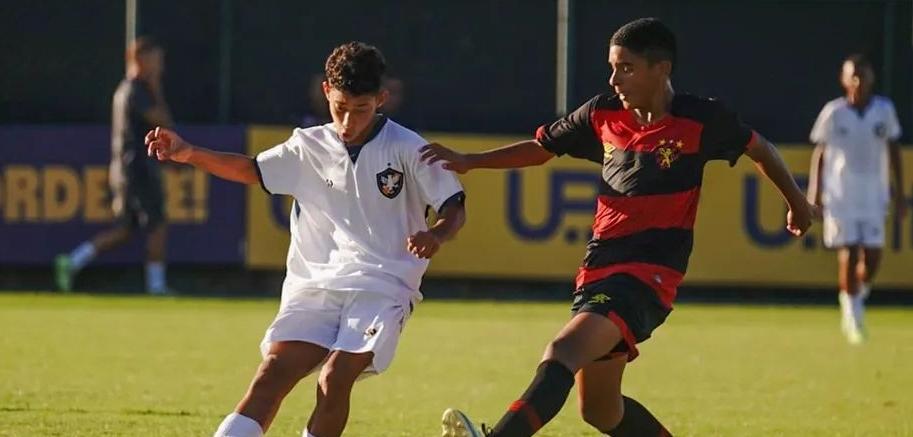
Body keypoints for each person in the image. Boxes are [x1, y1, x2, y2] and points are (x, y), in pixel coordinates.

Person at [424, 18, 814, 437]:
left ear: (660, 68)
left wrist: (798, 203)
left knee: (563, 350)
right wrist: (471, 160)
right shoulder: (601, 113)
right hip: (599, 268)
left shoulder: (701, 119)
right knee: (600, 410)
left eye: (625, 67)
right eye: (612, 67)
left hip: (648, 274)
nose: (614, 79)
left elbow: (760, 147)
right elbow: (541, 149)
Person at [146, 41, 466, 437]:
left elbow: (454, 206)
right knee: (271, 375)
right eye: (340, 107)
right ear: (327, 92)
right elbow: (251, 170)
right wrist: (190, 153)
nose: (349, 121)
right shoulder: (307, 145)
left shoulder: (409, 148)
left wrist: (437, 233)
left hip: (383, 286)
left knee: (334, 379)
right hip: (315, 283)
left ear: (381, 99)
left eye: (361, 109)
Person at [55, 36, 174, 294]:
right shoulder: (137, 90)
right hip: (137, 169)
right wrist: (156, 88)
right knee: (157, 223)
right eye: (156, 61)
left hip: (124, 170)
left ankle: (72, 261)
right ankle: (157, 287)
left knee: (125, 229)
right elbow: (164, 122)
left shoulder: (126, 89)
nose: (159, 67)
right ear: (141, 60)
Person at [807, 54, 906, 344]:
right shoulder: (834, 112)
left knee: (873, 256)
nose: (859, 81)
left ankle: (856, 294)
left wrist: (900, 193)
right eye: (854, 75)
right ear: (844, 79)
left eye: (864, 75)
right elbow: (821, 153)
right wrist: (815, 193)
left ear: (872, 78)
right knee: (848, 252)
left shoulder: (884, 111)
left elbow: (894, 150)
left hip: (873, 194)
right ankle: (852, 314)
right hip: (841, 195)